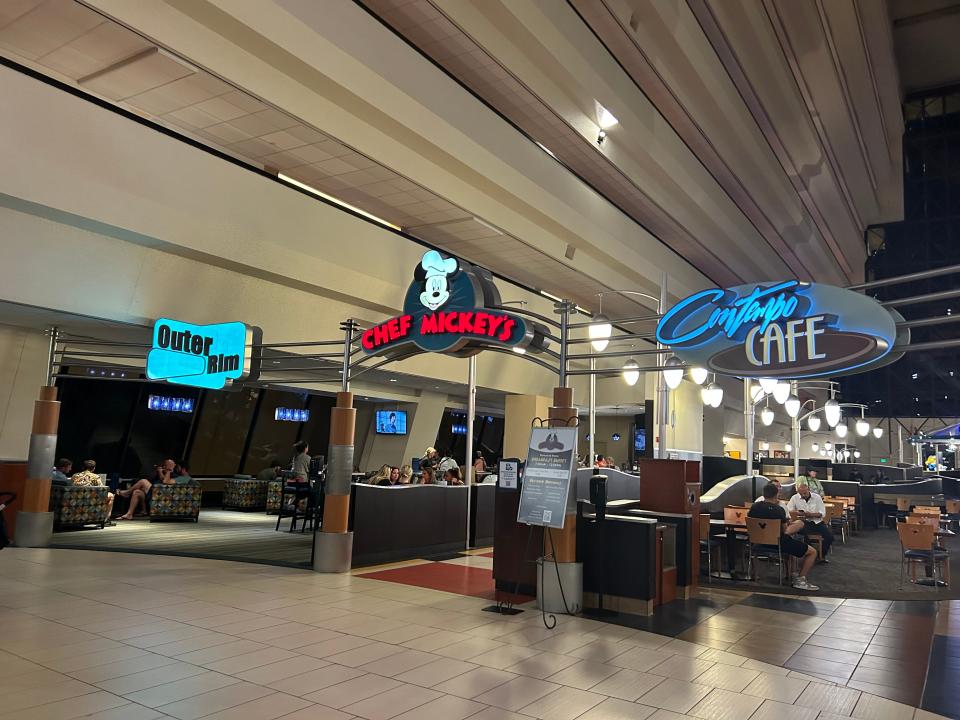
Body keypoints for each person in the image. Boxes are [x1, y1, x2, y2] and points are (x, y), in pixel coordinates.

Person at [749, 482, 818, 591]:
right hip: (779, 543)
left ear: (764, 494)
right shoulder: (779, 509)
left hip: (758, 543)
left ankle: (754, 573)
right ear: (776, 494)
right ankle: (800, 580)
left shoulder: (754, 507)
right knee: (812, 552)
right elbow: (784, 530)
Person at [787, 482, 834, 562]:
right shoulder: (794, 498)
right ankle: (811, 554)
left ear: (808, 490)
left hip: (817, 523)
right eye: (801, 494)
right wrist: (798, 513)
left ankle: (821, 556)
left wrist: (810, 514)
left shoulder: (817, 498)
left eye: (804, 493)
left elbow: (822, 513)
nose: (803, 495)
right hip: (802, 523)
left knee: (829, 537)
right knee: (804, 536)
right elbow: (788, 511)